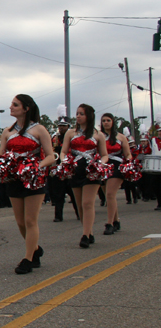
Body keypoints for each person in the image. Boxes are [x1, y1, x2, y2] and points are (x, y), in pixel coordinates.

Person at [0, 95, 54, 275]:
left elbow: (51, 156)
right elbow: (1, 156)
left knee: (30, 220)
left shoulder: (39, 129)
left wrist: (36, 167)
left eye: (15, 104)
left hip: (33, 179)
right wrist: (1, 169)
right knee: (20, 222)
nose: (11, 107)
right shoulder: (7, 132)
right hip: (14, 179)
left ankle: (28, 259)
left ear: (26, 108)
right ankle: (35, 249)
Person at [60, 104, 108, 249]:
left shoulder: (98, 134)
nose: (78, 116)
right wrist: (65, 162)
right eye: (77, 113)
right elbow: (63, 152)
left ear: (89, 116)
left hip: (91, 171)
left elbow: (105, 155)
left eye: (81, 113)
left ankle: (85, 235)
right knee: (79, 204)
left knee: (88, 203)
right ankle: (89, 231)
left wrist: (99, 164)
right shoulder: (70, 133)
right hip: (75, 170)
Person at [100, 113, 132, 235]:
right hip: (102, 166)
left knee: (110, 194)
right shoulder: (99, 136)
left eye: (108, 120)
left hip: (117, 166)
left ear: (113, 122)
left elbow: (127, 153)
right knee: (108, 196)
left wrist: (128, 162)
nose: (106, 122)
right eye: (103, 121)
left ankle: (109, 224)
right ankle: (116, 220)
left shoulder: (121, 137)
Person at [49, 117, 78, 222]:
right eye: (60, 126)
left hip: (69, 167)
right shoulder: (55, 138)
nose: (61, 128)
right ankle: (58, 215)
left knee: (74, 193)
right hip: (58, 168)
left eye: (63, 126)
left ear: (68, 126)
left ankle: (79, 213)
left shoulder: (72, 137)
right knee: (58, 194)